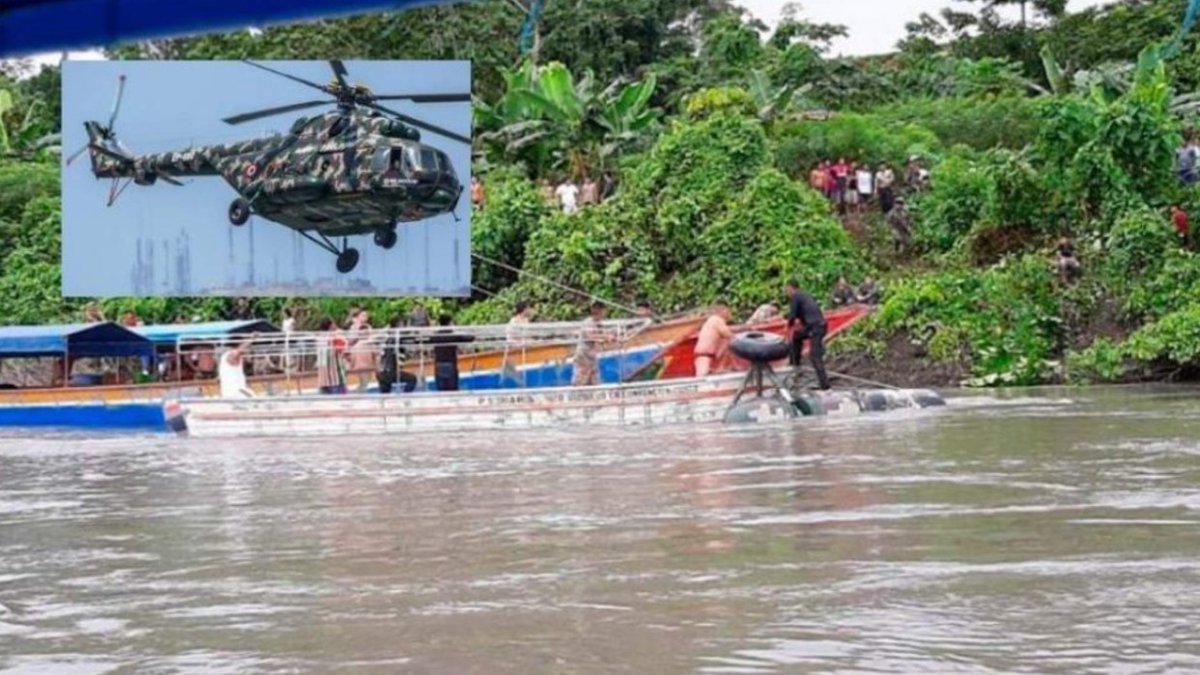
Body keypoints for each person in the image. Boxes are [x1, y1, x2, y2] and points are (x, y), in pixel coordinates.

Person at [785, 280, 831, 390]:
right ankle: (795, 367)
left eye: (786, 290)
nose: (786, 293)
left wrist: (787, 325)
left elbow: (792, 316)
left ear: (791, 288)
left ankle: (825, 385)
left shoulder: (796, 296)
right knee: (796, 337)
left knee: (815, 356)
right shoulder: (804, 295)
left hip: (816, 328)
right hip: (816, 326)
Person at [428, 314, 474, 392]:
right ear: (449, 323)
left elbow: (426, 340)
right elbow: (470, 338)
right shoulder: (453, 335)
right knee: (453, 391)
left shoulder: (435, 336)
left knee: (441, 391)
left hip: (439, 365)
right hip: (450, 365)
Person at [573, 301, 610, 386]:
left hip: (592, 356)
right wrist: (604, 338)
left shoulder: (598, 323)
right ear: (600, 311)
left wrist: (608, 337)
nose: (605, 313)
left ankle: (596, 394)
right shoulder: (588, 323)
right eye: (604, 311)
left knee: (594, 378)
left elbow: (602, 334)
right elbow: (590, 336)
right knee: (581, 379)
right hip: (584, 355)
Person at [377, 316, 417, 394]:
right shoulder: (396, 337)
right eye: (402, 325)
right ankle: (405, 398)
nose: (404, 327)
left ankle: (384, 403)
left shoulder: (387, 336)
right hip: (391, 372)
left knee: (385, 392)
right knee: (412, 379)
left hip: (382, 371)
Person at [694, 303, 734, 378]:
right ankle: (721, 367)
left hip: (704, 355)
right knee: (702, 382)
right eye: (728, 311)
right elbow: (729, 335)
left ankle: (721, 367)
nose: (730, 314)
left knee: (726, 341)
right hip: (704, 355)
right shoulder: (717, 320)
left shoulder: (710, 321)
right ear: (723, 310)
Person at [218, 334, 257, 399]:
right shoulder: (230, 355)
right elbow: (238, 351)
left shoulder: (227, 355)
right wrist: (251, 338)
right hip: (235, 392)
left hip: (236, 391)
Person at [316, 317, 347, 395]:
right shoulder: (335, 337)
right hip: (336, 379)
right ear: (331, 325)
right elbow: (344, 350)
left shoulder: (319, 339)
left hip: (322, 379)